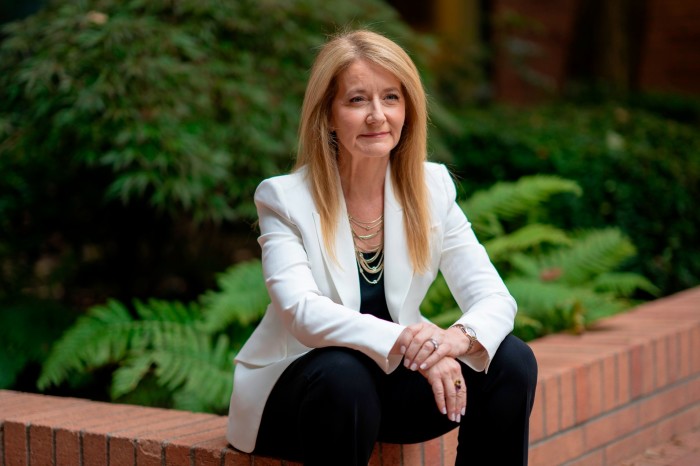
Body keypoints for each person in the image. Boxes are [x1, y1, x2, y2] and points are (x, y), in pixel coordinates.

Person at [226, 29, 538, 465]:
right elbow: (302, 312)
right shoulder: (285, 198)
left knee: (511, 360)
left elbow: (494, 298)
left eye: (391, 98)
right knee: (343, 373)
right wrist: (411, 344)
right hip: (301, 398)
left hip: (390, 391)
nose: (378, 116)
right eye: (357, 100)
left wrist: (453, 342)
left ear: (407, 109)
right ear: (328, 115)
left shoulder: (433, 188)